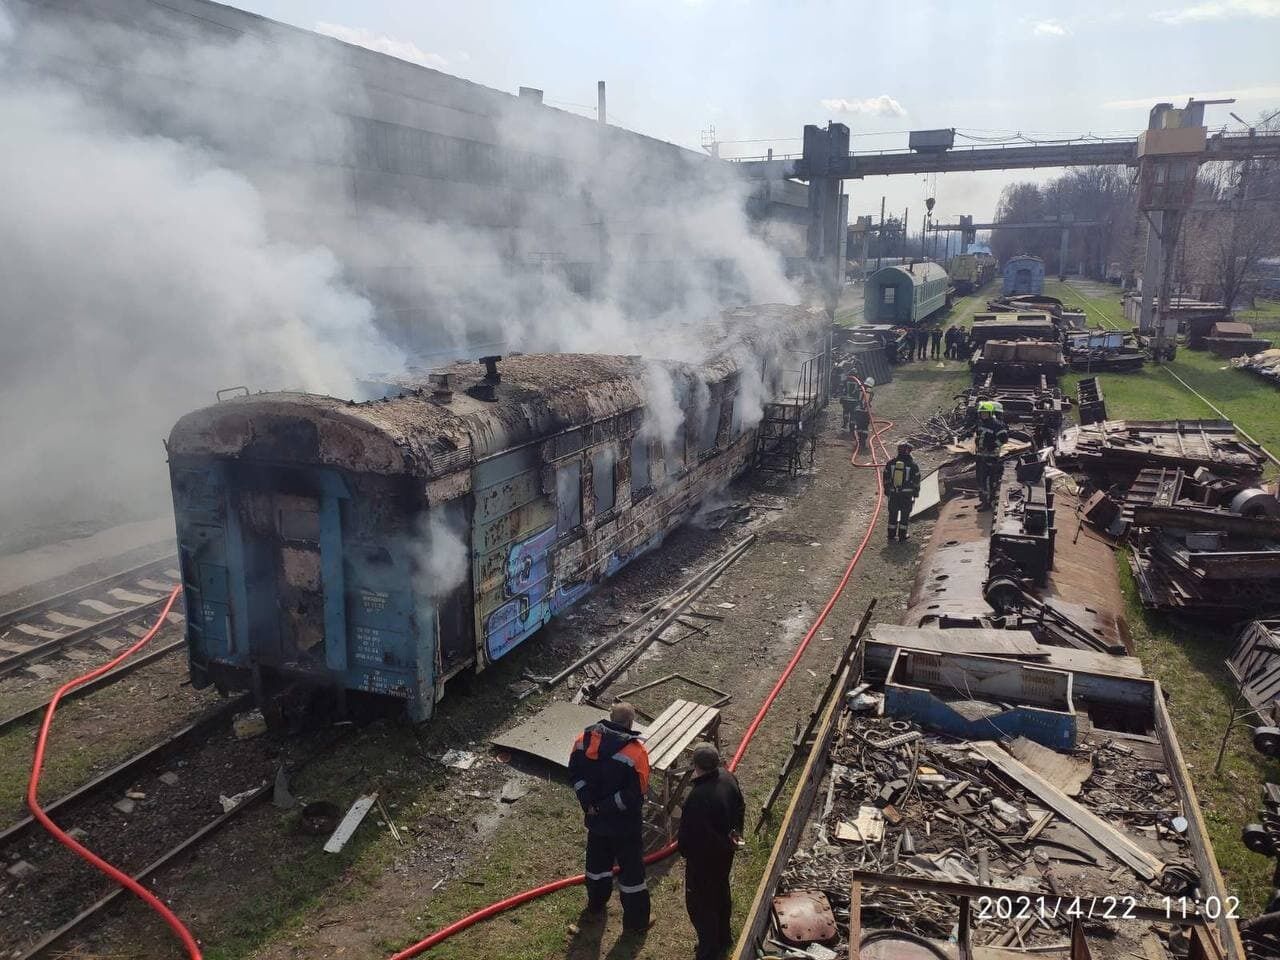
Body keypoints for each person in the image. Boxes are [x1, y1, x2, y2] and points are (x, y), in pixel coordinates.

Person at [568, 702, 651, 932]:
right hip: (625, 826)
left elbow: (575, 774)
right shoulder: (635, 753)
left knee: (597, 866)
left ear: (609, 717)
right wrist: (605, 807)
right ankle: (636, 924)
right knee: (632, 875)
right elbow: (636, 793)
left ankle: (595, 905)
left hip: (596, 822)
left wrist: (590, 804)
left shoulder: (583, 740)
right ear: (631, 723)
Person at [678, 744, 745, 960]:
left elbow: (687, 836)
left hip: (704, 862)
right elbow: (740, 807)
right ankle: (724, 938)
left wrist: (686, 852)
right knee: (721, 894)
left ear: (696, 766)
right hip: (725, 853)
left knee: (701, 906)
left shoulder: (697, 797)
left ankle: (708, 951)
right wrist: (735, 836)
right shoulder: (728, 777)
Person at [881, 441, 922, 542]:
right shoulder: (913, 465)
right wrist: (916, 493)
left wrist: (887, 490)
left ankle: (891, 536)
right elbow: (916, 481)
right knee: (904, 515)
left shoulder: (890, 463)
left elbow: (886, 478)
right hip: (906, 495)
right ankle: (902, 536)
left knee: (893, 514)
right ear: (909, 452)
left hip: (893, 494)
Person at [972, 401, 1009, 510]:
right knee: (980, 479)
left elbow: (1004, 439)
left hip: (991, 458)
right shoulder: (981, 424)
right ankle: (983, 500)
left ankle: (988, 503)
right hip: (980, 456)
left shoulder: (997, 425)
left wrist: (992, 446)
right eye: (982, 413)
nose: (983, 415)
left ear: (990, 413)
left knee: (988, 481)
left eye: (985, 413)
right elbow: (979, 436)